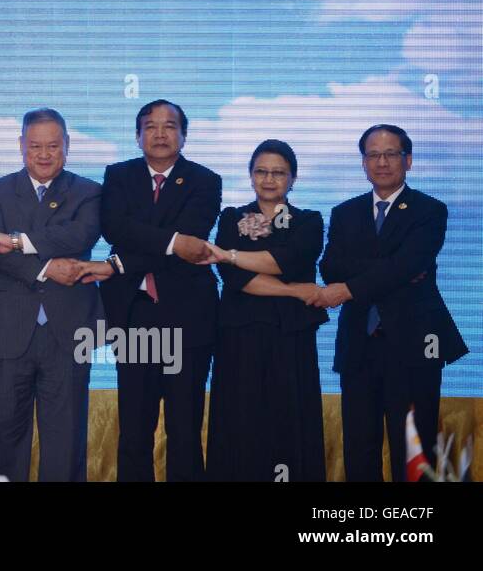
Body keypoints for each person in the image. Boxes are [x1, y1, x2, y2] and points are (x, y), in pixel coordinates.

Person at [77, 99, 221, 481]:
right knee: (134, 432)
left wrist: (121, 261)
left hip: (188, 320)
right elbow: (115, 229)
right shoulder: (119, 175)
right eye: (150, 126)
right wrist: (172, 241)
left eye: (169, 126)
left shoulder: (206, 181)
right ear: (137, 135)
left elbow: (191, 242)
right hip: (136, 315)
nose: (160, 133)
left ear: (184, 135)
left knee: (185, 430)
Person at [319, 124, 468, 481]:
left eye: (391, 154)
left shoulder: (430, 210)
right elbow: (330, 267)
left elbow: (411, 263)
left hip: (415, 347)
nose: (382, 162)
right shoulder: (345, 212)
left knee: (414, 451)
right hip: (359, 346)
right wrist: (391, 272)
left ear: (408, 160)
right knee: (359, 448)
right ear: (363, 162)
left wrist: (352, 286)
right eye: (373, 154)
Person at [0, 107, 102, 482]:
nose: (44, 154)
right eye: (35, 146)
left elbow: (79, 237)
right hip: (7, 329)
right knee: (2, 439)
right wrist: (47, 267)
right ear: (20, 146)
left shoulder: (89, 192)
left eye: (53, 146)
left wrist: (18, 239)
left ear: (67, 146)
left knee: (66, 441)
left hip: (68, 331)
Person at [199, 139, 326, 481]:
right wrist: (293, 291)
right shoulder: (230, 218)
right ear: (251, 176)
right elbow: (233, 278)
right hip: (239, 333)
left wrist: (230, 254)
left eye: (279, 173)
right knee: (240, 420)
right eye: (261, 172)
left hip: (291, 334)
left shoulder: (309, 221)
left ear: (293, 179)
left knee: (289, 419)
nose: (269, 179)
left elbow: (285, 261)